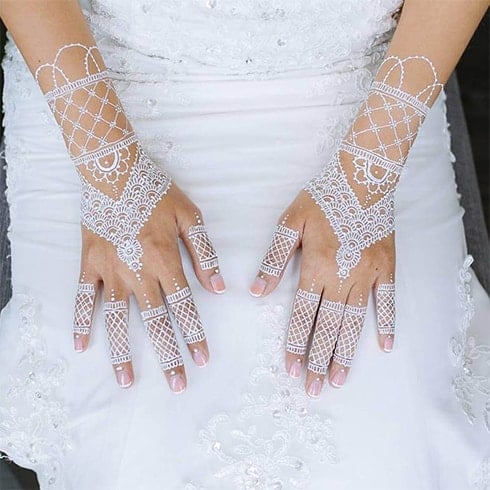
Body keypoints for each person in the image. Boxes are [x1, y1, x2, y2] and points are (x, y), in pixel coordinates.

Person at [0, 0, 489, 488]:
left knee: (389, 441)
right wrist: (110, 169)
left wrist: (367, 174)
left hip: (371, 86)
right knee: (137, 449)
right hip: (98, 76)